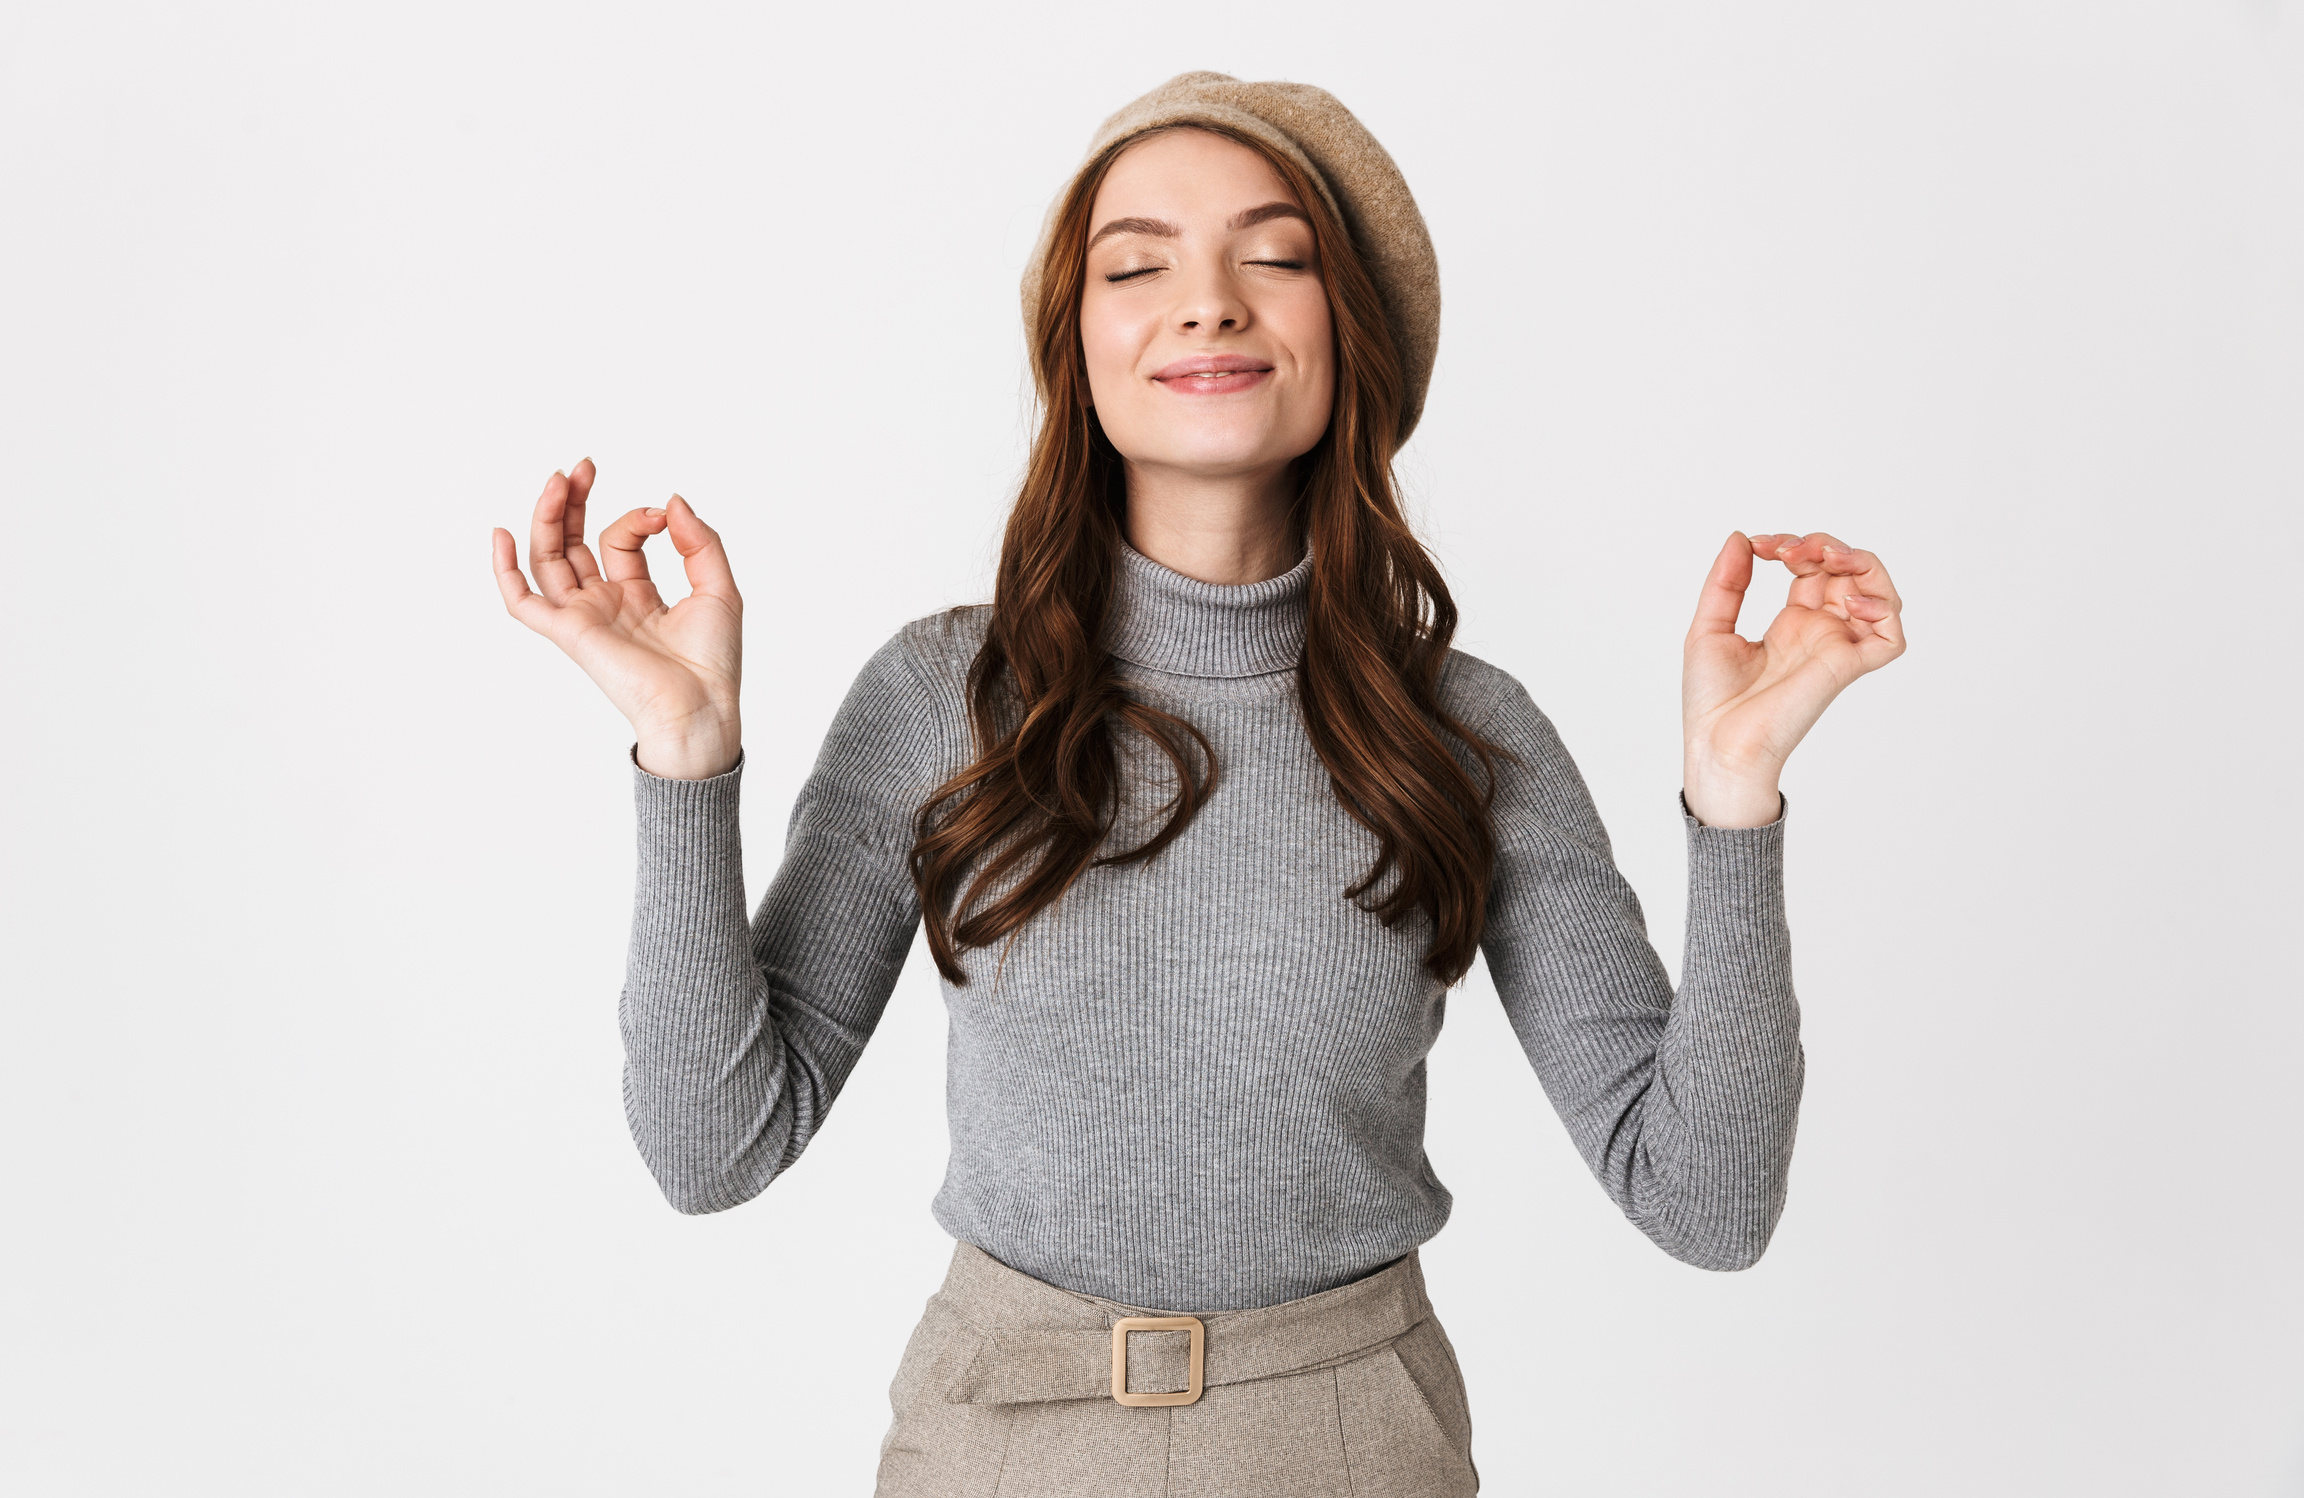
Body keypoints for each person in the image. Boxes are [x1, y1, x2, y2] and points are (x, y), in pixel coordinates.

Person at [489, 71, 1905, 1498]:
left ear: (1351, 334)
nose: (1209, 300)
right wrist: (684, 758)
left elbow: (1708, 1203)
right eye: (1137, 263)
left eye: (1274, 256)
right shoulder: (939, 699)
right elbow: (713, 1150)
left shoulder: (1465, 734)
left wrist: (1735, 800)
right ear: (1078, 344)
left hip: (1356, 1447)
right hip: (996, 1445)